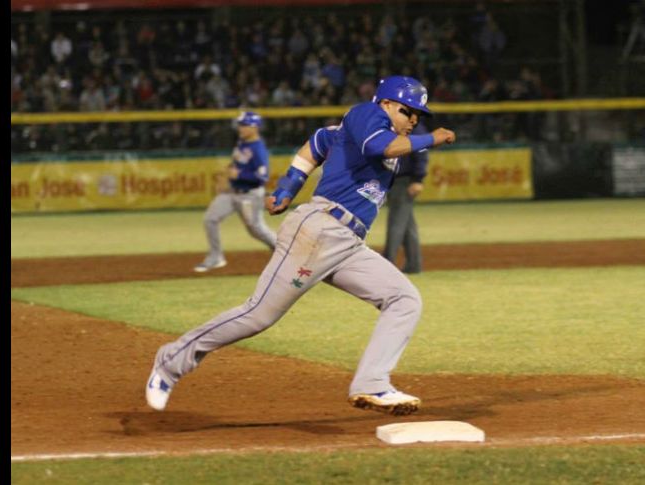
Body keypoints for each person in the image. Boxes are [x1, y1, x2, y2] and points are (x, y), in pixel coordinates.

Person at [147, 76, 455, 416]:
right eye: (408, 111)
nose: (414, 120)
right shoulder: (367, 114)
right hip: (320, 229)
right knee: (257, 315)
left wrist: (288, 185)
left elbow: (318, 143)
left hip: (348, 243)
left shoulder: (365, 131)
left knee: (404, 298)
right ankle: (170, 361)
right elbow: (378, 147)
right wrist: (433, 138)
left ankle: (372, 383)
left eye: (418, 115)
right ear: (384, 104)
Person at [193, 111, 277, 272]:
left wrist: (240, 175)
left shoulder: (258, 149)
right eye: (240, 125)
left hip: (250, 196)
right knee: (210, 219)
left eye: (244, 125)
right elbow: (235, 164)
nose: (240, 128)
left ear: (254, 127)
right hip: (232, 192)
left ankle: (285, 251)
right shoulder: (241, 143)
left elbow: (262, 177)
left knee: (256, 229)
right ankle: (215, 257)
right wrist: (226, 178)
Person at [382, 121, 429, 274]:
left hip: (404, 180)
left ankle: (386, 265)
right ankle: (414, 265)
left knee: (395, 224)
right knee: (407, 225)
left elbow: (421, 151)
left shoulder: (413, 125)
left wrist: (418, 179)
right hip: (395, 179)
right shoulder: (392, 123)